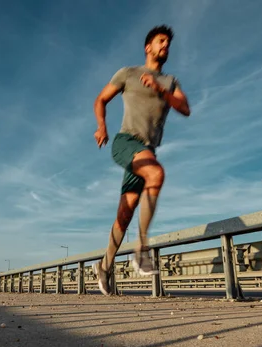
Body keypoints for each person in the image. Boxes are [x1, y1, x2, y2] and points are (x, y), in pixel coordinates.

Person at [92, 25, 191, 295]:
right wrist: (101, 126)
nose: (165, 46)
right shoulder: (129, 73)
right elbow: (101, 99)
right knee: (156, 175)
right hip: (126, 142)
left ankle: (104, 265)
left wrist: (161, 90)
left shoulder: (170, 82)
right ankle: (141, 249)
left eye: (168, 43)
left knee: (126, 210)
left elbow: (184, 108)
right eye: (161, 41)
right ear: (148, 47)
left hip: (147, 150)